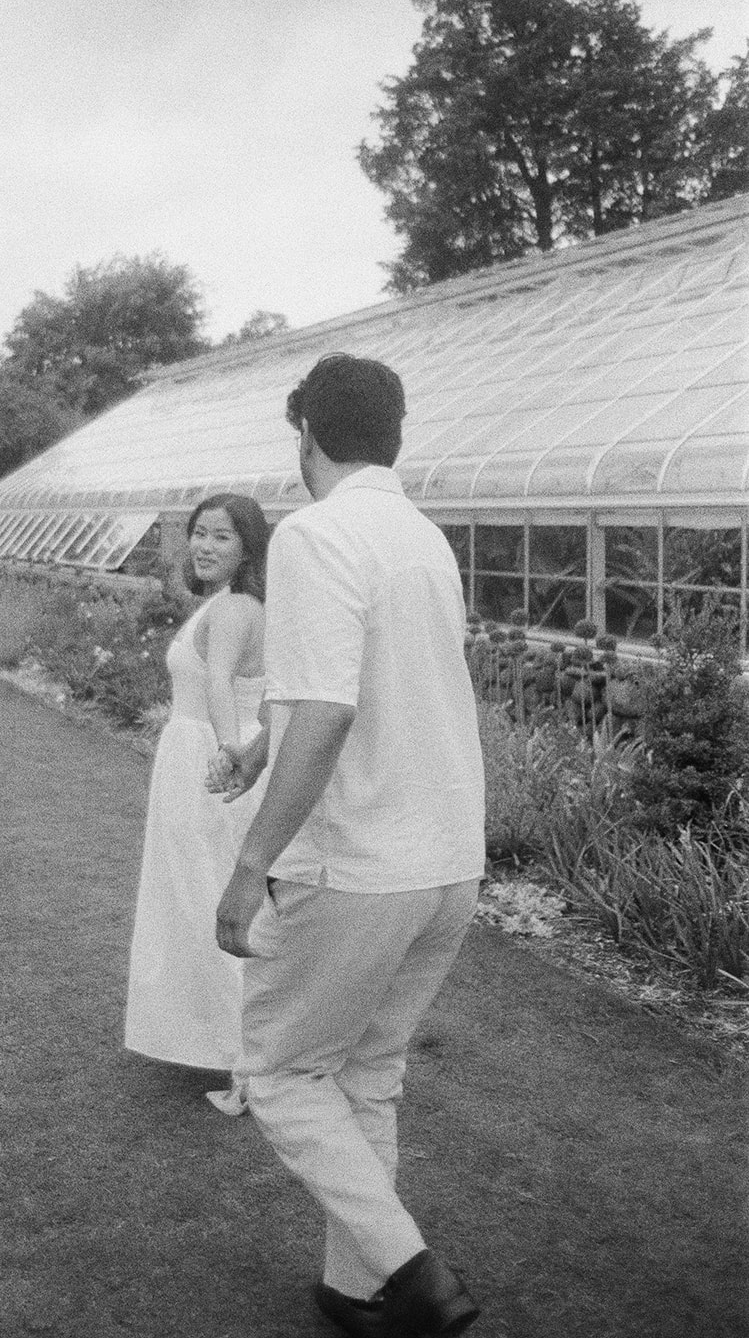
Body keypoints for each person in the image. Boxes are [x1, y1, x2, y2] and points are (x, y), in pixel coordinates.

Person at [212, 354, 485, 1336]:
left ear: (308, 436)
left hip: (358, 863)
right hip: (446, 860)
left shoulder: (314, 533)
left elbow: (326, 712)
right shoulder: (421, 538)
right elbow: (361, 684)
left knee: (280, 1075)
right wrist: (260, 741)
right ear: (392, 437)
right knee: (366, 1075)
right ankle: (353, 1288)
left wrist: (249, 866)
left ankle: (414, 1278)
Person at [124, 493, 270, 1113]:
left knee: (209, 899)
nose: (205, 546)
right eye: (200, 533)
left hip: (206, 765)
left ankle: (251, 1070)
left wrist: (226, 749)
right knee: (195, 900)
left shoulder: (235, 607)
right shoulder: (229, 602)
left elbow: (218, 683)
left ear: (248, 548)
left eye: (222, 536)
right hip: (195, 759)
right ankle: (237, 1049)